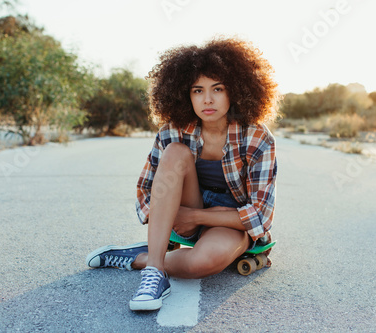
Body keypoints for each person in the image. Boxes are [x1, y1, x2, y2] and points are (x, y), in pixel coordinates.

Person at [85, 37, 279, 311]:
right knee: (175, 152)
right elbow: (146, 191)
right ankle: (154, 272)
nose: (207, 99)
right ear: (185, 94)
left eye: (218, 89)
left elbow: (260, 216)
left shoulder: (257, 137)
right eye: (197, 90)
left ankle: (139, 257)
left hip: (231, 220)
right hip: (187, 205)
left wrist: (195, 217)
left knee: (203, 263)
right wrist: (171, 215)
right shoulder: (172, 131)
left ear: (234, 90)